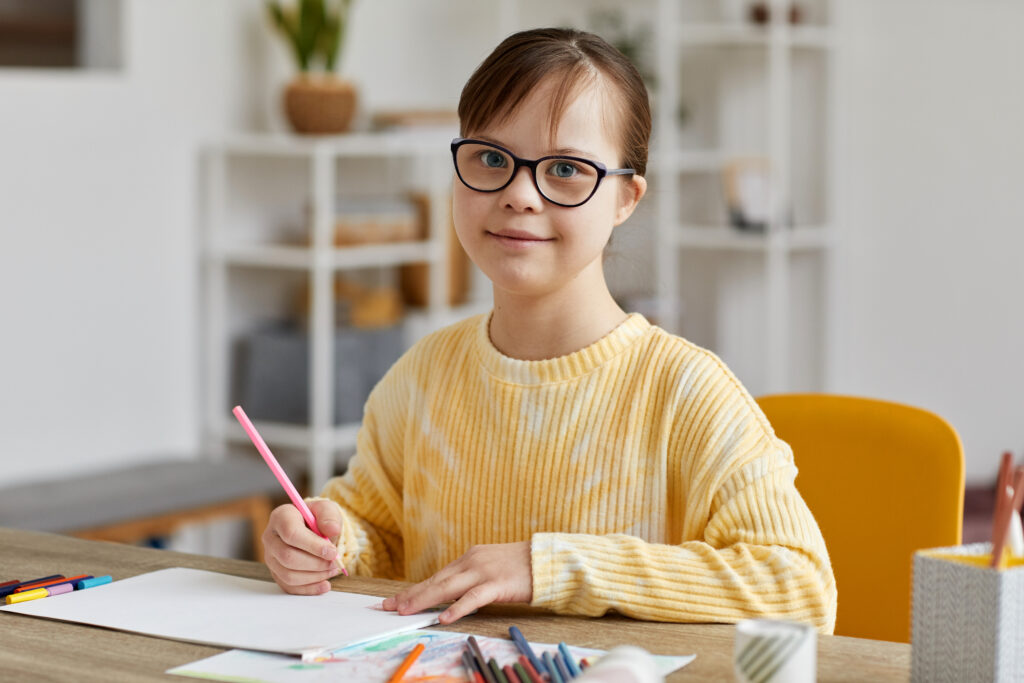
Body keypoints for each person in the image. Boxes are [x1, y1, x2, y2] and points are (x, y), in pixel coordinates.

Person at [262, 27, 837, 633]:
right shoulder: (421, 377)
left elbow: (799, 589)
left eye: (565, 168)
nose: (518, 193)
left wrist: (554, 567)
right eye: (490, 158)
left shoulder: (686, 392)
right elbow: (382, 539)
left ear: (625, 198)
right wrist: (325, 543)